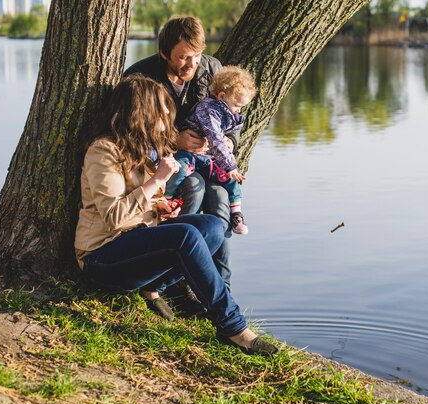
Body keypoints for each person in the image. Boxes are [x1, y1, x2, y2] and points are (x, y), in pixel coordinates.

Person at [74, 74, 277, 356]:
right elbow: (114, 216)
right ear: (141, 115)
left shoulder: (145, 149)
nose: (166, 122)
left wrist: (163, 208)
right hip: (101, 256)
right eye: (161, 115)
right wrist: (156, 181)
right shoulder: (103, 151)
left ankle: (153, 287)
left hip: (136, 243)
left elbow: (148, 203)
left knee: (213, 228)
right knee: (186, 236)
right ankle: (232, 326)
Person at [124, 16, 235, 288]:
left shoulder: (213, 68)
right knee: (193, 188)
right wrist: (174, 140)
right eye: (184, 57)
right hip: (165, 166)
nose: (192, 64)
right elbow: (131, 131)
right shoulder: (140, 77)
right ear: (164, 53)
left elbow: (231, 114)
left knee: (221, 203)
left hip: (208, 162)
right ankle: (177, 281)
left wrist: (230, 141)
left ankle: (220, 287)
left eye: (196, 55)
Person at [164, 65, 256, 235]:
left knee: (230, 179)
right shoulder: (208, 108)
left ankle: (236, 213)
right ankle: (167, 201)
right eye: (237, 105)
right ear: (222, 96)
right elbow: (214, 137)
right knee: (178, 170)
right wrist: (230, 165)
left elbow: (226, 135)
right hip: (190, 153)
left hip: (208, 157)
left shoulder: (229, 112)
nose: (239, 110)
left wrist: (230, 142)